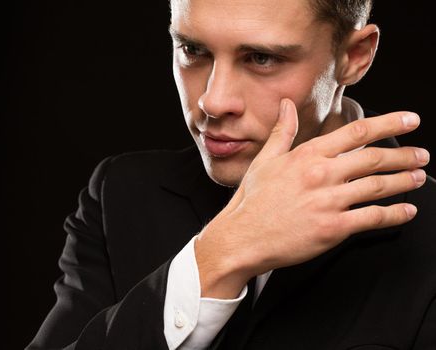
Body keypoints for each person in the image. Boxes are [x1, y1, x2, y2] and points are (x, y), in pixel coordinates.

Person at [27, 0, 436, 349]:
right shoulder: (122, 192)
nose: (213, 100)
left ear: (355, 56)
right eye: (192, 49)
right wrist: (217, 258)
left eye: (262, 58)